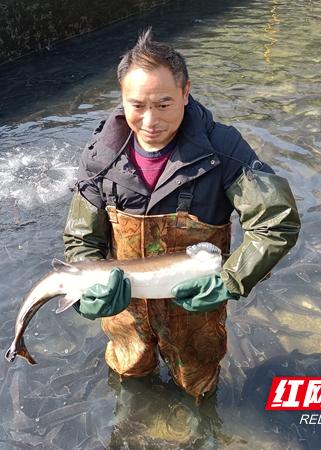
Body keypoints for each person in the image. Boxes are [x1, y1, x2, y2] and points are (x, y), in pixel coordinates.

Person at [63, 28, 300, 403]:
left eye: (164, 103)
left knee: (198, 380)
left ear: (186, 93)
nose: (149, 120)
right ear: (122, 98)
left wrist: (231, 279)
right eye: (137, 105)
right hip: (124, 307)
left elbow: (276, 222)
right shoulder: (99, 158)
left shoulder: (223, 150)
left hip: (195, 306)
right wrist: (86, 289)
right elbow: (82, 240)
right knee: (129, 374)